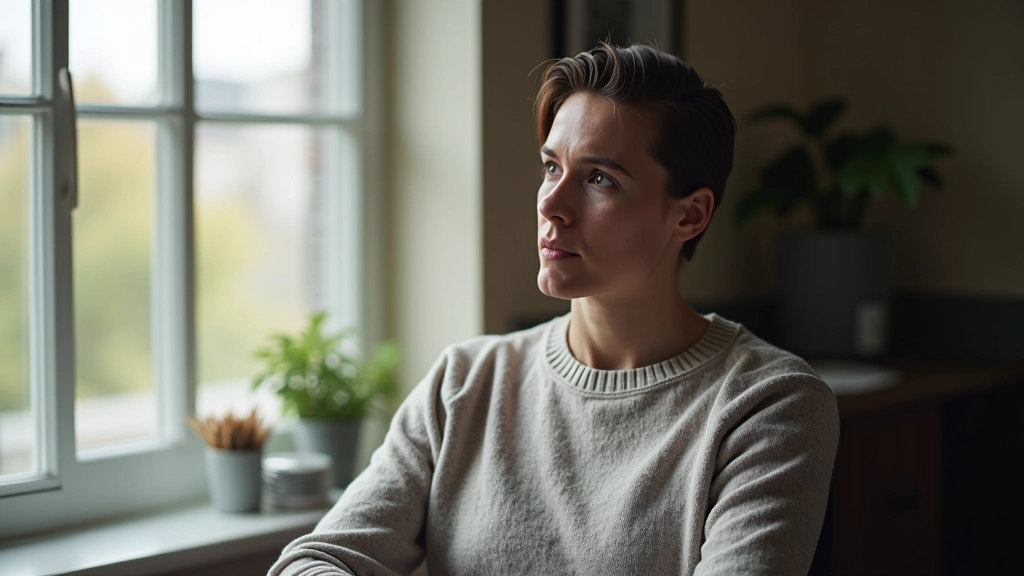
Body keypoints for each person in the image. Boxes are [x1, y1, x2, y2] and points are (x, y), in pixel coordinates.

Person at [269, 43, 839, 576]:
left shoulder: (770, 405)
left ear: (689, 215)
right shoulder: (466, 382)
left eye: (599, 178)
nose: (551, 202)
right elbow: (313, 560)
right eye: (550, 167)